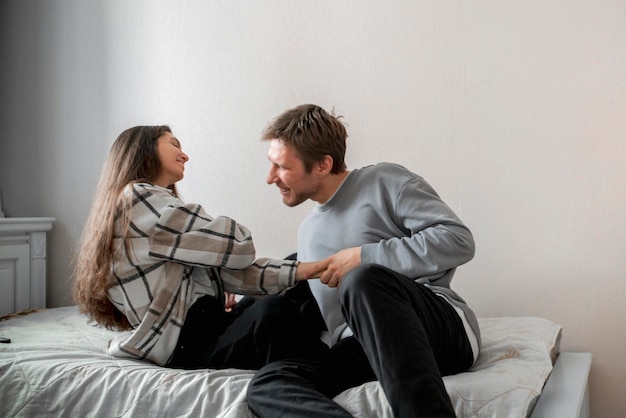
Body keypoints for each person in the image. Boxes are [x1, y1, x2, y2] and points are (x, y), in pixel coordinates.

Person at [246, 104, 481, 418]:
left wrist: (364, 256)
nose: (270, 178)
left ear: (322, 165)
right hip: (365, 347)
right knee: (269, 382)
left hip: (436, 331)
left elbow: (458, 240)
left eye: (282, 167)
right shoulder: (308, 234)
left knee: (362, 279)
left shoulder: (384, 181)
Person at [72, 125, 327, 370]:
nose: (184, 155)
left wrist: (307, 269)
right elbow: (239, 246)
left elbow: (237, 273)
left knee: (297, 269)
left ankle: (323, 345)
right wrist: (217, 268)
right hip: (188, 346)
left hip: (210, 326)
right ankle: (329, 360)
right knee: (273, 312)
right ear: (143, 150)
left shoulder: (154, 212)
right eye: (174, 144)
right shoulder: (137, 200)